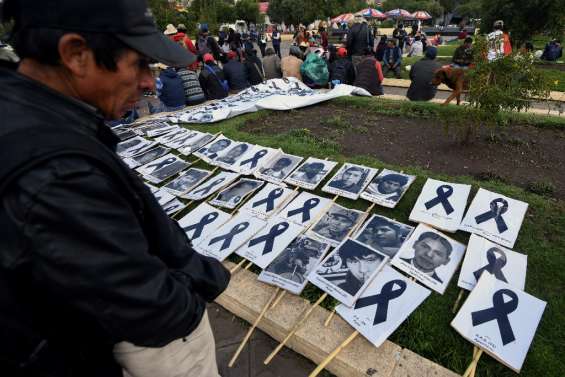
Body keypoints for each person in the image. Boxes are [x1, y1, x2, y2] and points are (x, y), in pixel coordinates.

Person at [0, 0, 230, 376]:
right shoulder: (59, 174)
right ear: (76, 55)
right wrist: (199, 278)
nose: (149, 82)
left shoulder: (24, 108)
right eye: (139, 63)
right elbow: (152, 308)